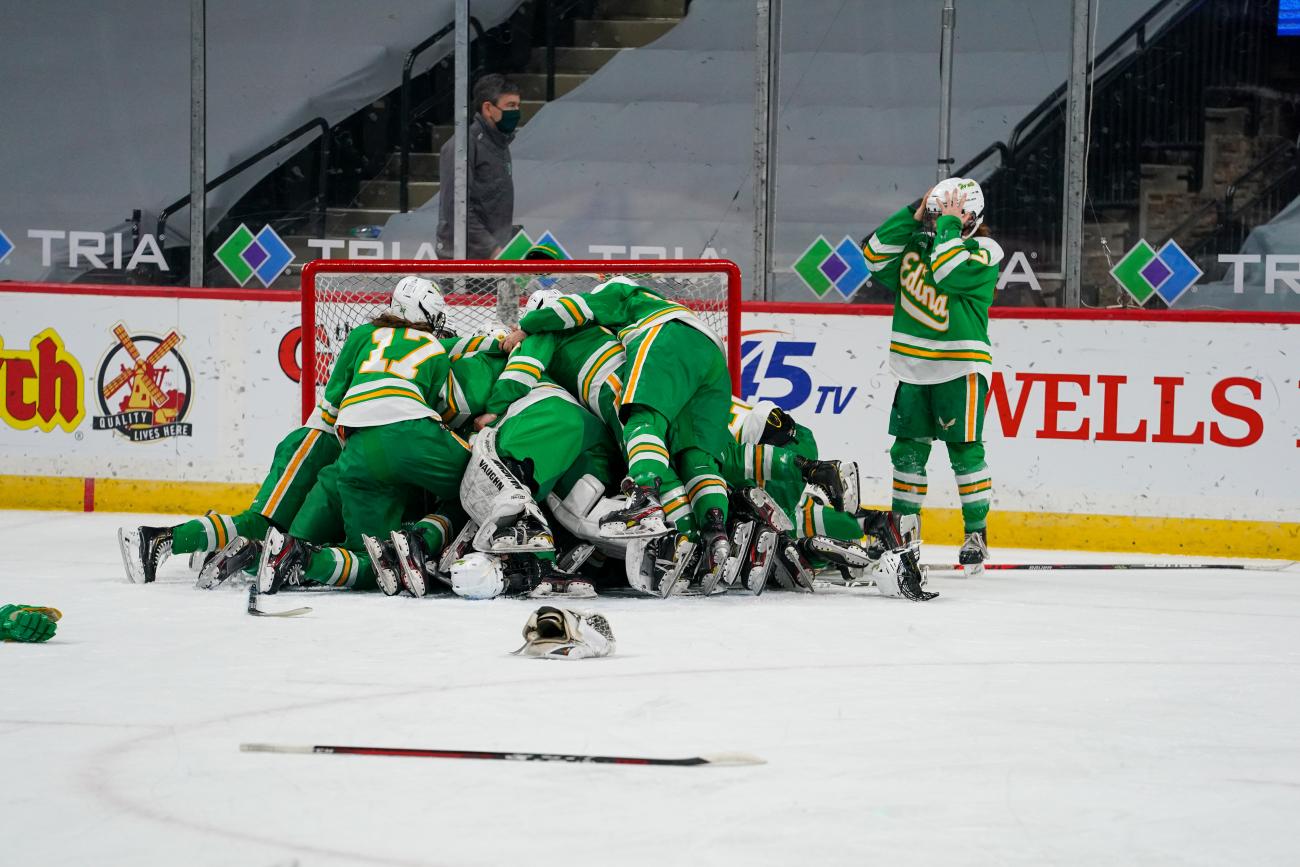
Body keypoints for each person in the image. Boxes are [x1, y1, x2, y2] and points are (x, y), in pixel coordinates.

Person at [860, 176, 1001, 576]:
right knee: (907, 453)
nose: (938, 221)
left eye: (949, 214)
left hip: (960, 368)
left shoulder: (985, 251)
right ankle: (905, 535)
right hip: (912, 369)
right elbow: (873, 255)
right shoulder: (918, 245)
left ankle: (976, 533)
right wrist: (912, 214)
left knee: (964, 451)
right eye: (935, 214)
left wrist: (949, 229)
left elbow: (948, 270)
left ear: (971, 216)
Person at [436, 73, 521, 260]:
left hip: (494, 258)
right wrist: (490, 248)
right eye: (510, 106)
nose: (516, 112)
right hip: (464, 261)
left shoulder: (500, 144)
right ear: (488, 108)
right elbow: (456, 208)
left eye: (517, 106)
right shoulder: (462, 146)